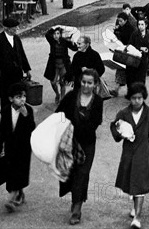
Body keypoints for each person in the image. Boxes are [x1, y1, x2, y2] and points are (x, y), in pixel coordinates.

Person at [110, 83, 149, 229]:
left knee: (140, 184)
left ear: (144, 98)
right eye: (134, 98)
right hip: (129, 153)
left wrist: (148, 132)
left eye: (140, 98)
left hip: (143, 151)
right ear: (129, 98)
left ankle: (137, 217)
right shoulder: (123, 113)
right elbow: (114, 126)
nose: (137, 101)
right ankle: (134, 207)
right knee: (132, 181)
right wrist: (121, 134)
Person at [56, 69, 104, 225]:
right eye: (84, 82)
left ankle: (77, 209)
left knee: (82, 174)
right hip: (69, 142)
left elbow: (95, 122)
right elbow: (58, 114)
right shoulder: (71, 96)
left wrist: (76, 126)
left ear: (95, 84)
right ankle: (75, 199)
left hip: (87, 144)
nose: (86, 85)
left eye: (90, 83)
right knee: (71, 173)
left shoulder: (97, 101)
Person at [0, 82, 36, 212]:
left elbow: (32, 128)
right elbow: (1, 130)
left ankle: (11, 199)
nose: (22, 99)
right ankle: (19, 193)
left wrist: (26, 116)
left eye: (24, 96)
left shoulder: (28, 110)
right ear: (11, 99)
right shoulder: (6, 110)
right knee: (12, 172)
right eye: (18, 97)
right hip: (10, 147)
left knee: (20, 171)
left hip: (24, 147)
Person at [0, 18, 32, 113]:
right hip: (4, 76)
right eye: (15, 27)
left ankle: (16, 116)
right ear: (7, 28)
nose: (17, 29)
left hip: (17, 74)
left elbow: (22, 55)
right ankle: (5, 118)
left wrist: (27, 69)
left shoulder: (17, 39)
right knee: (5, 96)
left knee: (17, 95)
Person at [43, 27, 78, 105]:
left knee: (63, 82)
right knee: (53, 82)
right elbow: (47, 34)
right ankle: (57, 94)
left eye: (58, 33)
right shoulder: (52, 41)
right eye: (54, 34)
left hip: (63, 64)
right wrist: (53, 28)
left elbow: (75, 49)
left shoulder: (64, 41)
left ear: (60, 34)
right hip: (54, 64)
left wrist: (72, 42)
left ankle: (62, 99)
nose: (56, 35)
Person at [126, 19, 149, 93]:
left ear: (146, 25)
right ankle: (132, 92)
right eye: (139, 24)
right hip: (134, 58)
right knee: (132, 76)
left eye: (142, 24)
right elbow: (130, 45)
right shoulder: (134, 34)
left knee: (141, 76)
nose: (140, 26)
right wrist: (139, 48)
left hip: (144, 59)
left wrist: (148, 50)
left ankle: (140, 92)